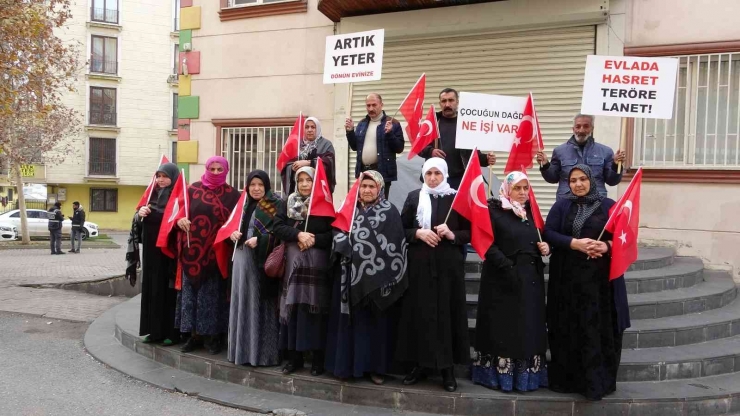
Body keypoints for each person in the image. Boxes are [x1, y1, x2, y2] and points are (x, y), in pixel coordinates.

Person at [544, 164, 630, 401]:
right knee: (569, 327)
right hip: (568, 281)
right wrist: (575, 243)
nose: (578, 184)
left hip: (600, 283)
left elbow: (625, 236)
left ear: (592, 180)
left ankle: (595, 382)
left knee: (596, 328)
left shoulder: (609, 206)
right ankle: (568, 380)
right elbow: (548, 233)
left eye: (582, 179)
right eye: (573, 180)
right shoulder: (562, 205)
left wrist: (607, 246)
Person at [325, 171, 408, 385]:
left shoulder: (390, 211)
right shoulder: (349, 207)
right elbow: (337, 231)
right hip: (348, 279)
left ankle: (376, 369)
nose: (367, 190)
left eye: (372, 186)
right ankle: (348, 367)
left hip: (378, 282)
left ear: (379, 188)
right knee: (351, 325)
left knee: (376, 327)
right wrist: (344, 243)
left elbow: (395, 243)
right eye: (364, 186)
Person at [396, 158, 471, 392]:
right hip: (420, 266)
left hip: (449, 267)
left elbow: (470, 231)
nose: (433, 178)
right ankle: (420, 364)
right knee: (421, 313)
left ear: (445, 174)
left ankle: (447, 369)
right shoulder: (414, 197)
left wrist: (452, 235)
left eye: (437, 173)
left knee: (447, 314)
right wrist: (418, 233)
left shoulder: (457, 198)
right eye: (428, 173)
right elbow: (400, 228)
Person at [472, 171, 550, 393]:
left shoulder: (530, 212)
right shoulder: (494, 211)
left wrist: (545, 247)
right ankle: (498, 377)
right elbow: (486, 243)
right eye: (518, 188)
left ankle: (526, 377)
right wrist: (507, 267)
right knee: (504, 329)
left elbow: (538, 237)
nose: (523, 193)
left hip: (530, 281)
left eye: (526, 188)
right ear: (508, 189)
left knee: (527, 328)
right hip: (501, 280)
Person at [175, 156, 241, 355]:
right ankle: (192, 336)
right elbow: (178, 212)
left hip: (216, 253)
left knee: (213, 297)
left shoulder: (233, 195)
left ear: (226, 170)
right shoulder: (192, 190)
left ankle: (212, 337)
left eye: (219, 169)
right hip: (191, 253)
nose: (214, 172)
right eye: (211, 168)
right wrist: (180, 220)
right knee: (190, 297)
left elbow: (237, 220)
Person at [274, 166, 334, 376]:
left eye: (308, 180)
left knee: (314, 310)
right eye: (300, 180)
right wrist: (298, 235)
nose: (305, 184)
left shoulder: (324, 205)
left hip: (316, 268)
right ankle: (294, 358)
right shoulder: (288, 202)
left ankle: (317, 359)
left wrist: (314, 239)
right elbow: (278, 226)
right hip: (293, 267)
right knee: (293, 310)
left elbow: (333, 235)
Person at [227, 170, 283, 367]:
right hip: (242, 261)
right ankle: (241, 353)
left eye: (260, 185)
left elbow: (280, 231)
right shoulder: (242, 205)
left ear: (266, 185)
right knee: (242, 303)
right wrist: (233, 233)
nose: (256, 189)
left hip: (261, 263)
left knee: (260, 305)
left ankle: (262, 355)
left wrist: (260, 239)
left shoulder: (276, 204)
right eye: (252, 185)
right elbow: (231, 226)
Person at [136, 163, 181, 346]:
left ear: (173, 177)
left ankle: (171, 333)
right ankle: (154, 331)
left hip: (169, 254)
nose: (161, 180)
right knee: (152, 289)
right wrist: (140, 213)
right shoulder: (150, 196)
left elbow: (179, 221)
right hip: (151, 253)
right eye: (159, 176)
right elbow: (138, 225)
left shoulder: (179, 197)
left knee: (168, 291)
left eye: (165, 176)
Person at [536, 113, 626, 201]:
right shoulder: (559, 151)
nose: (581, 130)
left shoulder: (605, 151)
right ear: (573, 129)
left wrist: (616, 164)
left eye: (586, 126)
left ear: (592, 128)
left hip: (597, 204)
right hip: (567, 204)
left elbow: (612, 181)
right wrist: (545, 165)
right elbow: (552, 178)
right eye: (578, 126)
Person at [418, 88, 495, 189]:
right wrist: (430, 151)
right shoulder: (431, 123)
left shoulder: (467, 123)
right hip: (436, 179)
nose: (447, 105)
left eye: (451, 100)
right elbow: (418, 147)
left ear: (457, 102)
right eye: (444, 101)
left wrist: (486, 159)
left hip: (461, 180)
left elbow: (474, 154)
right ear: (440, 103)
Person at [345, 93, 405, 199]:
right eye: (368, 105)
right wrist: (350, 132)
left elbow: (399, 148)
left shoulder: (393, 123)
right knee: (363, 203)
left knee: (380, 206)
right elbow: (355, 147)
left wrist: (390, 133)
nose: (371, 108)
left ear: (381, 105)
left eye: (374, 105)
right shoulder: (362, 124)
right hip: (364, 172)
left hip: (382, 173)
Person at [281, 117, 335, 197]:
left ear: (318, 129)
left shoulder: (326, 145)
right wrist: (293, 167)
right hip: (299, 192)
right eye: (307, 127)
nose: (309, 130)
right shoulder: (298, 145)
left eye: (313, 127)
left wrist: (309, 163)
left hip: (319, 193)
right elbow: (287, 164)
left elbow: (329, 163)